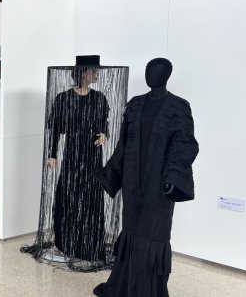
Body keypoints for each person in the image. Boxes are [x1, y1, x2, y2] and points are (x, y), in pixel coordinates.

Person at [94, 58, 199, 297]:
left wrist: (173, 176)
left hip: (159, 186)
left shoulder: (178, 107)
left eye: (158, 72)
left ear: (167, 75)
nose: (152, 75)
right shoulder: (135, 105)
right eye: (149, 71)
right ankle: (124, 285)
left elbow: (184, 145)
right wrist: (111, 175)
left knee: (154, 235)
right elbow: (123, 143)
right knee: (131, 230)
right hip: (132, 182)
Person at [46, 64, 110, 261]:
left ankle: (89, 241)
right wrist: (52, 153)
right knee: (69, 195)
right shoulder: (64, 98)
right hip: (73, 154)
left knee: (91, 196)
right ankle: (66, 240)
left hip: (92, 156)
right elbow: (55, 128)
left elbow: (104, 123)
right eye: (93, 71)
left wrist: (105, 135)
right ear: (83, 73)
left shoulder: (99, 98)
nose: (96, 75)